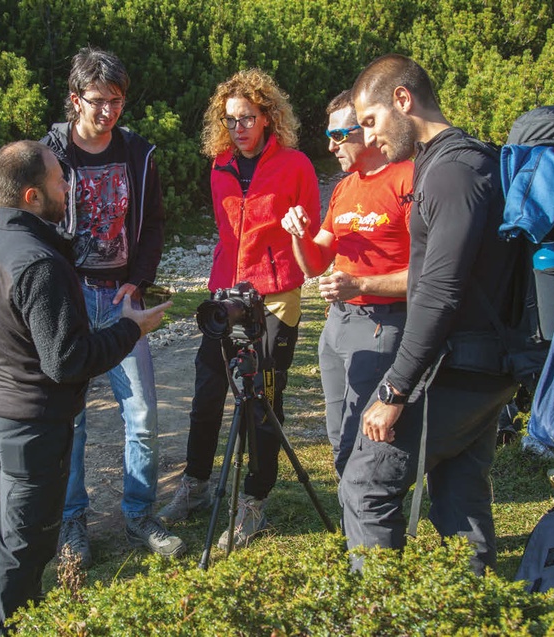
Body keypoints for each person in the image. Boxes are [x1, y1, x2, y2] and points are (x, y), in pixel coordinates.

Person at [0, 140, 170, 637]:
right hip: (30, 425)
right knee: (22, 552)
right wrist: (132, 329)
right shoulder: (38, 263)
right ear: (32, 195)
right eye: (60, 179)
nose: (69, 185)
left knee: (23, 542)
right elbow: (67, 362)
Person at [341, 54, 520, 575]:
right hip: (484, 366)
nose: (368, 138)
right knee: (460, 493)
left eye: (370, 121)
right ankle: (474, 609)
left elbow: (438, 292)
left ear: (403, 99)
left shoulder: (451, 174)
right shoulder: (470, 160)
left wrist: (394, 391)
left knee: (366, 484)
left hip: (458, 368)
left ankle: (378, 617)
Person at [157, 69, 321, 549]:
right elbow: (229, 235)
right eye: (231, 120)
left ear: (268, 115)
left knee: (262, 402)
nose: (240, 127)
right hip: (225, 295)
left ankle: (254, 499)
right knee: (208, 391)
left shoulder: (296, 165)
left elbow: (309, 241)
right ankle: (197, 486)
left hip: (274, 296)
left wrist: (299, 232)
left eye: (248, 117)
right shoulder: (220, 166)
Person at [40, 47, 181, 564]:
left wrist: (139, 281)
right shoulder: (48, 152)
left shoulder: (138, 152)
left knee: (141, 412)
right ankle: (72, 523)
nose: (109, 111)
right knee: (71, 417)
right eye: (98, 101)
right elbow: (33, 223)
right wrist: (56, 288)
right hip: (70, 300)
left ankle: (139, 514)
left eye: (117, 100)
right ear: (76, 99)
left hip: (122, 298)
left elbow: (155, 225)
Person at [281, 90, 412, 477]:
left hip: (384, 324)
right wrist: (297, 234)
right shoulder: (345, 187)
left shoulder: (407, 178)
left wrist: (360, 283)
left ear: (368, 129)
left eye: (340, 135)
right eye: (329, 134)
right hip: (338, 324)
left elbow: (430, 274)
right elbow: (316, 263)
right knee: (339, 429)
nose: (330, 145)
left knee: (370, 435)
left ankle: (372, 513)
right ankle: (350, 515)